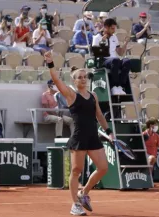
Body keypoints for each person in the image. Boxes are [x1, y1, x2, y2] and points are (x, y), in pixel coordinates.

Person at [44, 51, 114, 216]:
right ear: (74, 81)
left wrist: (109, 132)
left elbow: (99, 116)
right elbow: (56, 79)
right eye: (80, 77)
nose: (84, 79)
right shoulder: (70, 94)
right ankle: (75, 204)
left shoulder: (93, 96)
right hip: (79, 136)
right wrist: (50, 63)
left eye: (85, 77)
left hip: (93, 136)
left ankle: (84, 193)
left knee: (103, 168)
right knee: (76, 171)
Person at [92, 18, 131, 95]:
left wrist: (125, 43)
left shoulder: (114, 37)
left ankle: (120, 86)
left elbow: (120, 53)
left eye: (114, 28)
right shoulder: (97, 38)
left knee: (127, 61)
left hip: (114, 60)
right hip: (103, 60)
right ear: (106, 27)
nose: (114, 31)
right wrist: (102, 42)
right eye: (112, 28)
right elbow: (95, 53)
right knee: (115, 60)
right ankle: (113, 86)